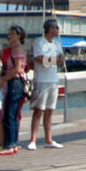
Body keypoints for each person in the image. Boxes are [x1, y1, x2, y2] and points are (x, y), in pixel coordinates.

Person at [27, 19, 65, 150]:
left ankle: (49, 139)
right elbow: (38, 59)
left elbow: (61, 59)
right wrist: (53, 61)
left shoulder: (57, 43)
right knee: (39, 110)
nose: (58, 30)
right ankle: (33, 140)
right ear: (49, 29)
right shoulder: (39, 42)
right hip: (42, 80)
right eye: (56, 28)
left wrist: (49, 61)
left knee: (50, 110)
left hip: (53, 80)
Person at [0, 26, 28, 155]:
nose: (9, 36)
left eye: (12, 34)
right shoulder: (13, 49)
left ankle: (9, 145)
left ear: (19, 36)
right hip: (14, 82)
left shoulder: (17, 49)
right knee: (10, 114)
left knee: (10, 114)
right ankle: (12, 143)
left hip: (15, 83)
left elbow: (17, 68)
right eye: (9, 34)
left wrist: (3, 79)